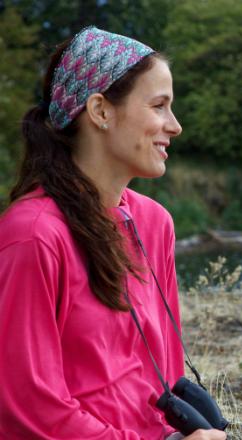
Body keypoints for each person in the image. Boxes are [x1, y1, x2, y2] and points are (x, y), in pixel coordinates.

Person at [0, 27, 225, 439]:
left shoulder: (156, 224)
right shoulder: (32, 236)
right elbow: (26, 406)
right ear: (100, 111)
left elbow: (167, 372)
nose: (174, 126)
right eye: (159, 106)